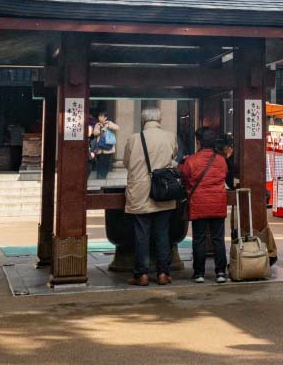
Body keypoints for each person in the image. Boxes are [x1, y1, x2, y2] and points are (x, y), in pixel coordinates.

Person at [118, 106, 178, 286]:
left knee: (141, 235)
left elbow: (127, 163)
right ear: (159, 120)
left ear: (143, 121)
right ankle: (163, 273)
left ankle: (141, 275)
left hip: (140, 191)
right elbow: (173, 157)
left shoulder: (134, 138)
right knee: (162, 233)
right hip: (163, 191)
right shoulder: (170, 137)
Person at [182, 128, 230, 283]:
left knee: (199, 239)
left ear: (199, 142)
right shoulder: (221, 160)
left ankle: (199, 273)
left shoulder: (192, 160)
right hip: (217, 204)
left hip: (199, 205)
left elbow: (186, 178)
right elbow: (224, 175)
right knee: (218, 239)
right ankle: (221, 272)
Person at [88, 113, 119, 179]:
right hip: (100, 148)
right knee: (99, 162)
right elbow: (95, 133)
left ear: (105, 117)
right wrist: (101, 131)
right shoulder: (97, 124)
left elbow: (117, 128)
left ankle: (103, 176)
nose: (99, 117)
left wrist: (108, 126)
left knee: (106, 163)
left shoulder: (109, 123)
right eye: (99, 116)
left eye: (101, 116)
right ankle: (99, 175)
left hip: (108, 149)